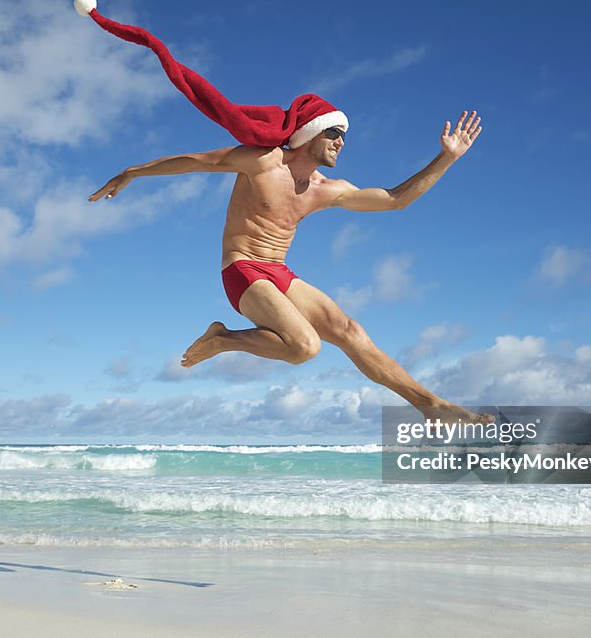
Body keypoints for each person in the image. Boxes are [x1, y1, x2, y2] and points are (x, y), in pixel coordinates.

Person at [89, 111, 492, 424]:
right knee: (305, 347)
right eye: (334, 134)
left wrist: (446, 158)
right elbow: (197, 161)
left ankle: (430, 405)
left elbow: (395, 199)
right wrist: (132, 172)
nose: (341, 142)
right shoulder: (263, 163)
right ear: (310, 133)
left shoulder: (326, 189)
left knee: (351, 332)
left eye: (345, 137)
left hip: (279, 272)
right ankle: (222, 339)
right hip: (242, 270)